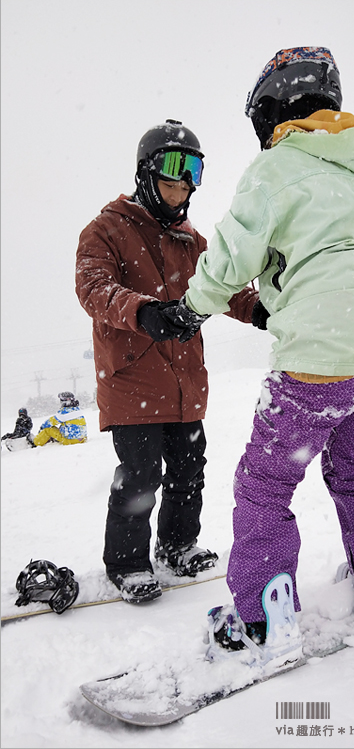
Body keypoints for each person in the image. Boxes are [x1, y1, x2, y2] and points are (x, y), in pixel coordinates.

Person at [157, 47, 354, 668]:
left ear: (272, 111)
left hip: (320, 352)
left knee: (266, 483)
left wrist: (192, 308)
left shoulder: (275, 169)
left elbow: (228, 258)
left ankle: (261, 620)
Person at [75, 119, 259, 605]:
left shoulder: (191, 241)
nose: (179, 193)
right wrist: (144, 311)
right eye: (170, 182)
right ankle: (128, 563)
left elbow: (224, 286)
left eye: (186, 185)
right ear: (146, 176)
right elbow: (93, 289)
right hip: (132, 380)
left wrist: (259, 309)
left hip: (185, 384)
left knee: (188, 469)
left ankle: (178, 545)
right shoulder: (106, 230)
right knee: (140, 475)